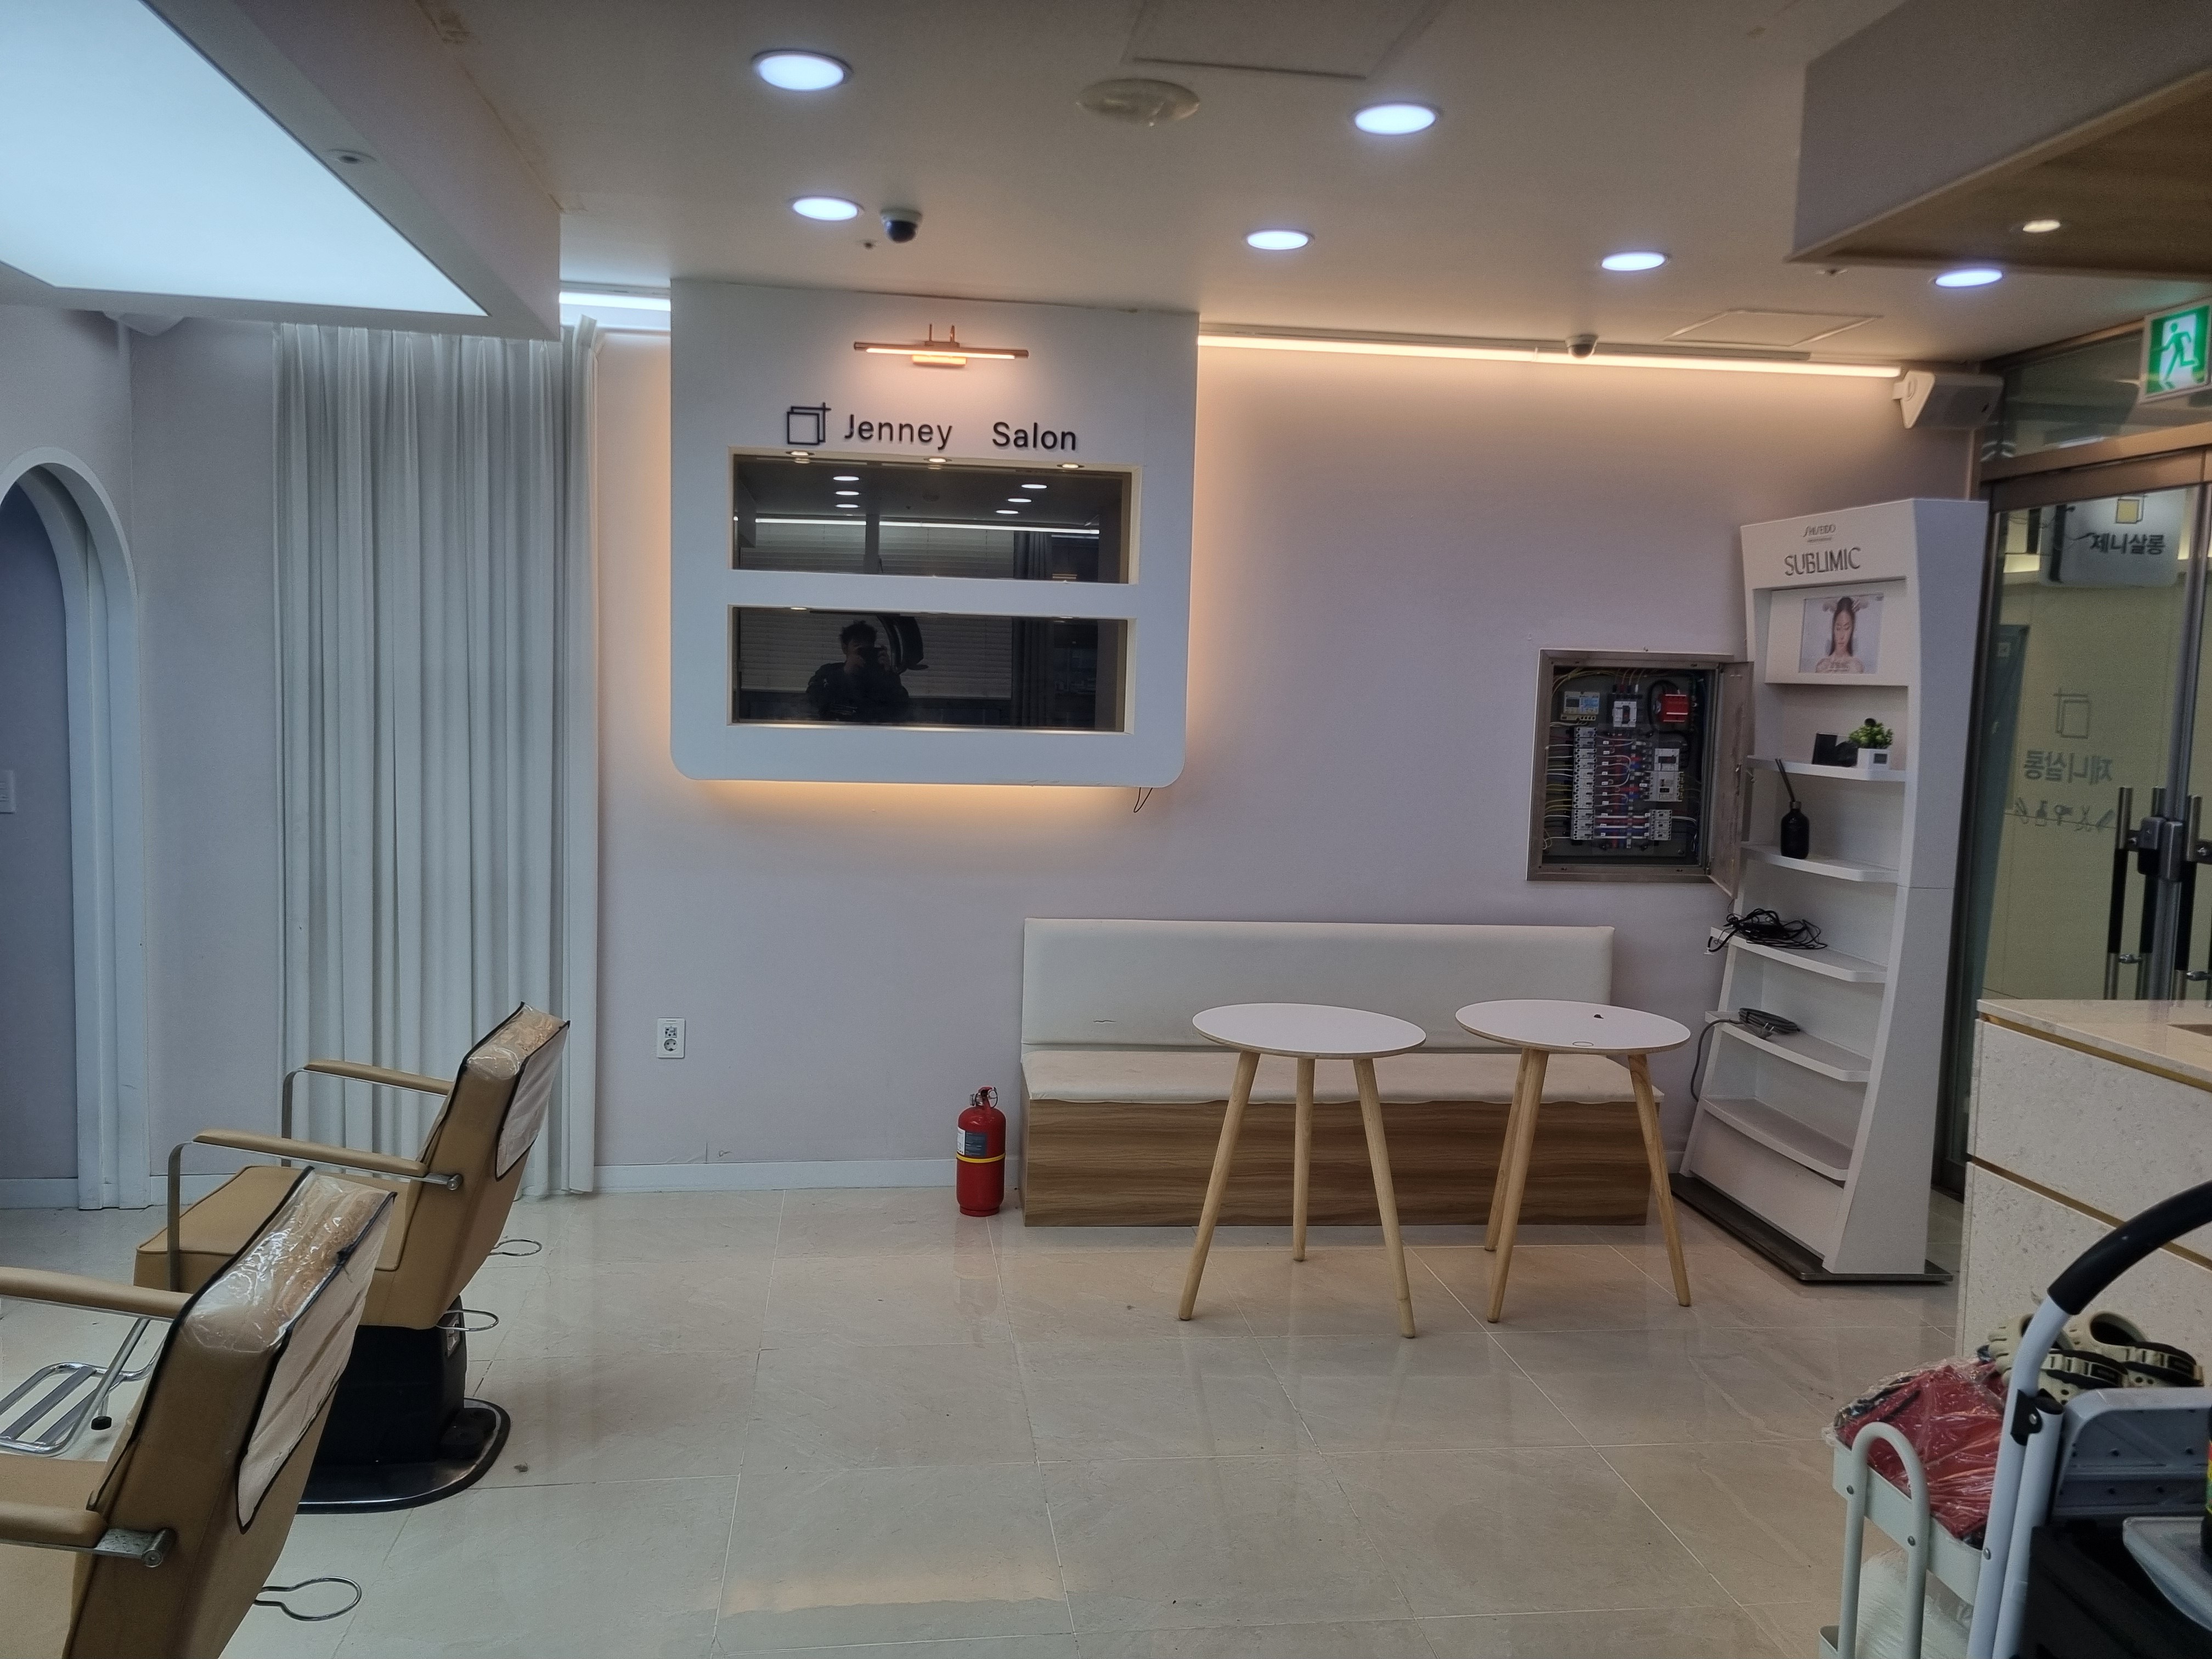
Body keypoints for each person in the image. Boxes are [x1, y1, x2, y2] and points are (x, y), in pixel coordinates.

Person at [805, 619, 912, 721]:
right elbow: (813, 700)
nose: (863, 652)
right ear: (845, 648)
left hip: (874, 731)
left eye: (868, 647)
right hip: (836, 731)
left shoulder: (881, 677)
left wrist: (889, 674)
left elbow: (902, 710)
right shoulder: (829, 672)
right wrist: (844, 674)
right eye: (857, 646)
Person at [1814, 595, 1867, 674]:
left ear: (1852, 630)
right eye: (1838, 629)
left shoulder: (1856, 667)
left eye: (1847, 629)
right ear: (1833, 628)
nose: (1842, 636)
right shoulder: (1823, 665)